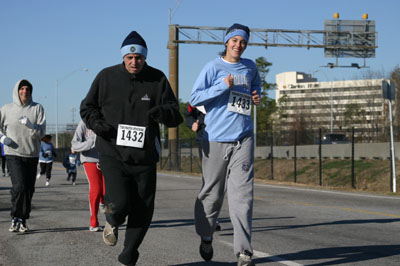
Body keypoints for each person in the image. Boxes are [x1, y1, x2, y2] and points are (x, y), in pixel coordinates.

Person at [80, 30, 183, 265]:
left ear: (145, 58)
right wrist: (97, 124)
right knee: (120, 201)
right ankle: (113, 220)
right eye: (129, 57)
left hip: (145, 157)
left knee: (143, 208)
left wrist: (163, 112)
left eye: (138, 58)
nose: (134, 62)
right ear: (123, 57)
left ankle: (130, 252)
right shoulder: (106, 77)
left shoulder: (157, 79)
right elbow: (87, 107)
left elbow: (175, 115)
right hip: (112, 153)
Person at [190, 23, 261, 266]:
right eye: (235, 41)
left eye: (243, 41)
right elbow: (195, 98)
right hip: (216, 138)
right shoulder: (212, 67)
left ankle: (244, 252)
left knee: (243, 196)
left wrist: (255, 95)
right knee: (212, 193)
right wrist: (222, 85)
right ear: (226, 42)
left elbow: (256, 87)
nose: (239, 45)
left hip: (244, 137)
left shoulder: (250, 66)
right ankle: (206, 234)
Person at [0, 79, 46, 233]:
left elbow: (42, 133)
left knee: (28, 189)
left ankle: (23, 219)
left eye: (27, 89)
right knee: (19, 186)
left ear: (30, 92)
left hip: (31, 153)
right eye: (22, 89)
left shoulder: (37, 108)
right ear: (17, 91)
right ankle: (15, 217)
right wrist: (2, 138)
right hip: (13, 152)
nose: (24, 91)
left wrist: (31, 125)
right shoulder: (6, 109)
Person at [184, 104, 222, 231]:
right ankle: (209, 217)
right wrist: (192, 124)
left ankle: (213, 216)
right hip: (205, 139)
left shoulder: (226, 90)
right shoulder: (200, 93)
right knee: (210, 178)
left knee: (223, 180)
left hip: (225, 137)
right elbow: (188, 113)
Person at [71, 119, 105, 232]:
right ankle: (94, 222)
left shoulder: (109, 117)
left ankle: (103, 202)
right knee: (96, 189)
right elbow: (74, 144)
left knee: (107, 191)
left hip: (107, 159)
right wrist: (91, 142)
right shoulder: (84, 123)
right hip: (90, 159)